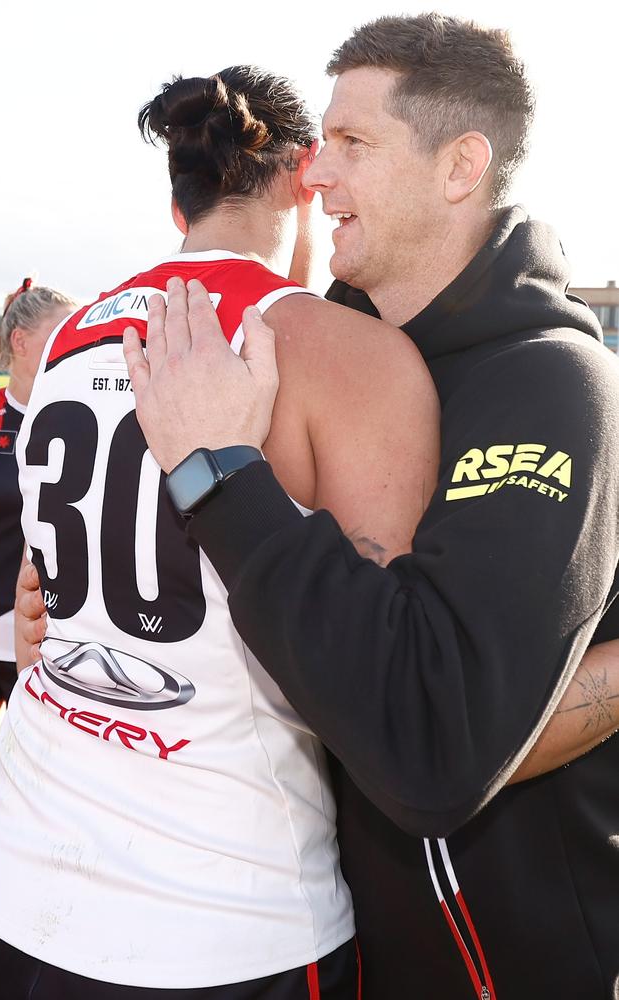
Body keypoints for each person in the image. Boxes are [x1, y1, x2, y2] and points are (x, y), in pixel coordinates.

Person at [115, 15, 619, 1000]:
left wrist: (216, 474)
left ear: (457, 166)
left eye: (350, 143)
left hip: (502, 964)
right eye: (314, 148)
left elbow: (431, 739)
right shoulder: (318, 358)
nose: (312, 174)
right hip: (334, 938)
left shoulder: (553, 387)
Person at [0, 67, 440, 998]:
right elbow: (389, 686)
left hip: (13, 873)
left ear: (176, 200)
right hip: (222, 912)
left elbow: (49, 592)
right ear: (306, 177)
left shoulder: (69, 340)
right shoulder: (346, 354)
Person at [0, 281, 74, 829]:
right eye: (61, 327)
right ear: (21, 341)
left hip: (42, 644)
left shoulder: (80, 417)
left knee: (44, 797)